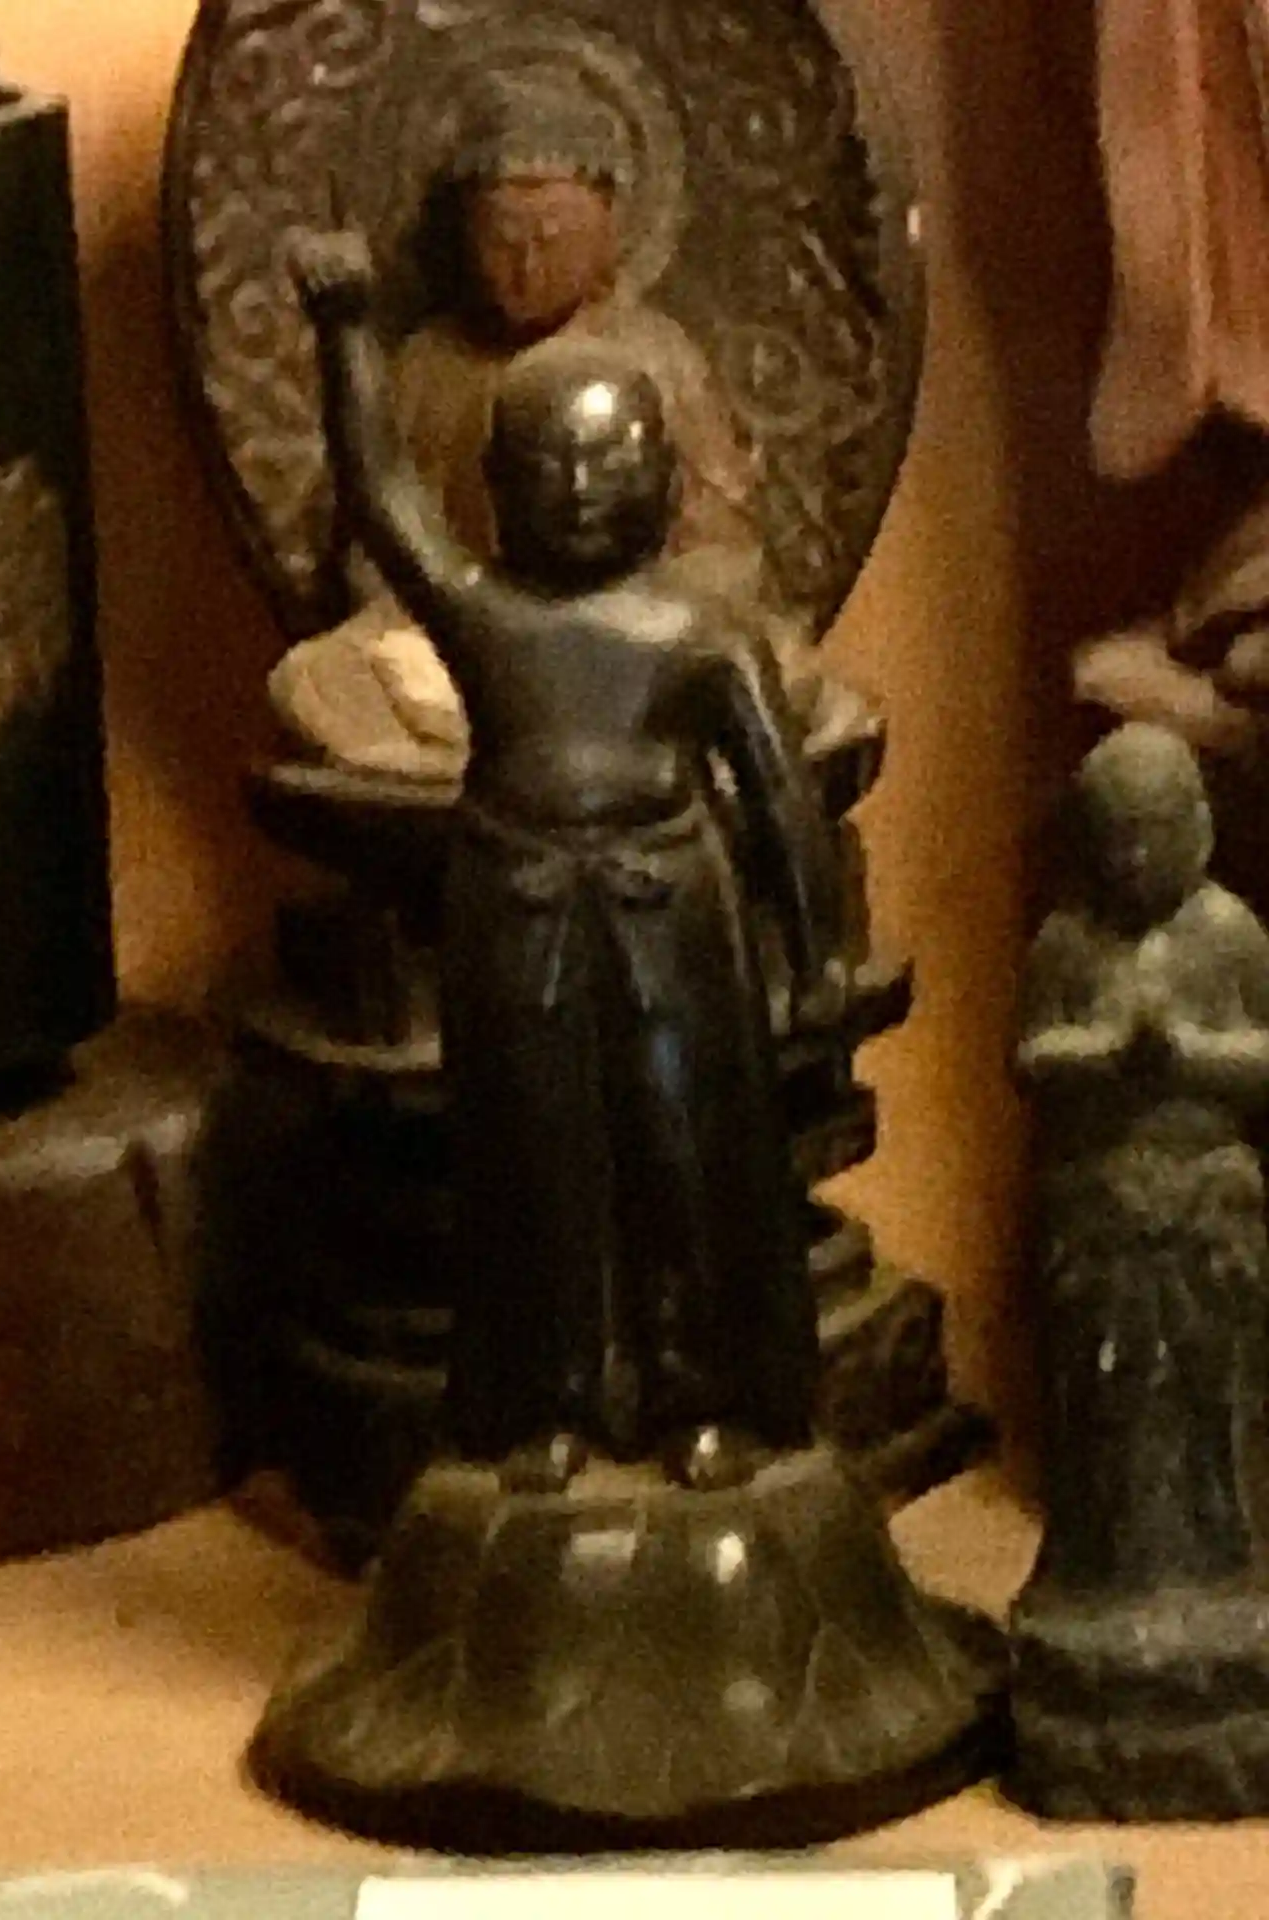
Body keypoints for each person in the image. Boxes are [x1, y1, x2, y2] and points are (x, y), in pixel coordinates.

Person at [290, 222, 848, 1493]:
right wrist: (344, 331)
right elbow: (381, 495)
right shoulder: (487, 616)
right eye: (552, 466)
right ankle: (546, 1398)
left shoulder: (702, 633)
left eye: (614, 461)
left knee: (687, 1153)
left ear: (667, 476)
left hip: (670, 907)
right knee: (532, 1160)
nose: (586, 489)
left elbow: (779, 801)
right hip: (516, 901)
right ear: (497, 486)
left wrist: (814, 953)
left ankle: (706, 1394)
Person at [269, 80, 768, 781]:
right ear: (463, 240)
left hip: (633, 658)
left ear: (609, 236)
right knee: (318, 677)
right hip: (476, 653)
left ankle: (518, 763)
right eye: (502, 243)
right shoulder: (429, 365)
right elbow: (381, 539)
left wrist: (651, 615)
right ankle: (483, 764)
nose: (527, 268)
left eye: (553, 241)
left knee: (761, 661)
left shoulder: (656, 359)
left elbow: (726, 551)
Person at [1018, 723, 1269, 1593]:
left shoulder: (1230, 934)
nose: (1131, 860)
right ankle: (1100, 1564)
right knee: (1103, 1390)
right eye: (1113, 837)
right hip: (1100, 1198)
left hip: (1209, 1192)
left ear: (1197, 828)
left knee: (1213, 1387)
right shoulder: (1067, 940)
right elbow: (1031, 1057)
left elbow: (1263, 1060)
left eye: (1151, 834)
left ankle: (1226, 1559)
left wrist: (1187, 1054)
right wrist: (1109, 1055)